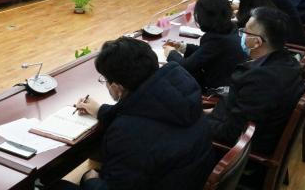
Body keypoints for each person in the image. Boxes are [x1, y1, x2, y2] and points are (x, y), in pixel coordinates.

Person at [57, 37, 214, 190]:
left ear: (117, 87)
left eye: (105, 80)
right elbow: (143, 110)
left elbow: (136, 126)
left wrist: (89, 179)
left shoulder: (127, 132)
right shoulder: (183, 94)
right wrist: (99, 110)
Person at [208, 7, 305, 159]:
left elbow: (230, 133)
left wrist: (198, 121)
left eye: (245, 32)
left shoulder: (260, 81)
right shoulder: (289, 61)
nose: (241, 35)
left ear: (257, 42)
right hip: (250, 127)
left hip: (245, 153)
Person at [165, 0, 246, 92]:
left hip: (217, 90)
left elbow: (186, 67)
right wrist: (183, 47)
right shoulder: (231, 28)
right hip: (232, 81)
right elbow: (206, 52)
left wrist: (171, 53)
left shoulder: (217, 40)